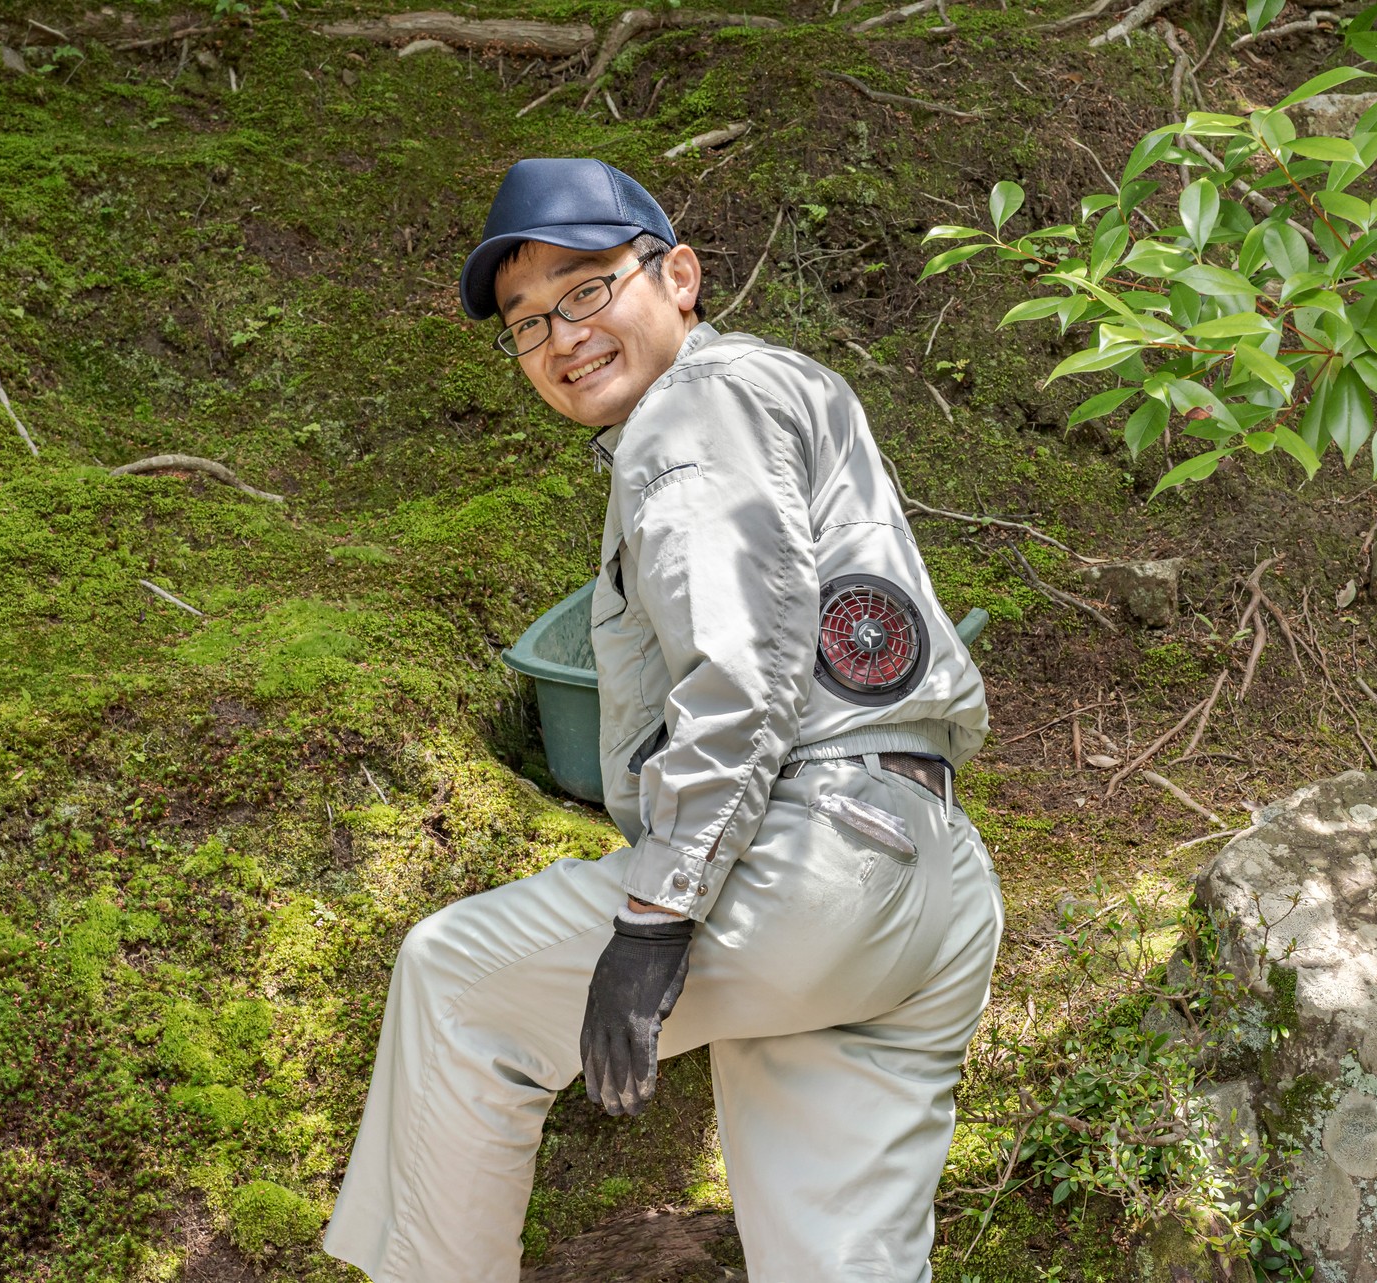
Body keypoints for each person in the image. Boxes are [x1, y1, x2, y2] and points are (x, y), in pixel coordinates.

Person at [322, 157, 1004, 1283]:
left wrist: (656, 915)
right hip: (930, 873)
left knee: (452, 983)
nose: (560, 336)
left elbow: (745, 662)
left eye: (586, 289)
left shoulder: (691, 407)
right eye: (527, 321)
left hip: (812, 860)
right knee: (840, 1263)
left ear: (679, 275)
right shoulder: (783, 387)